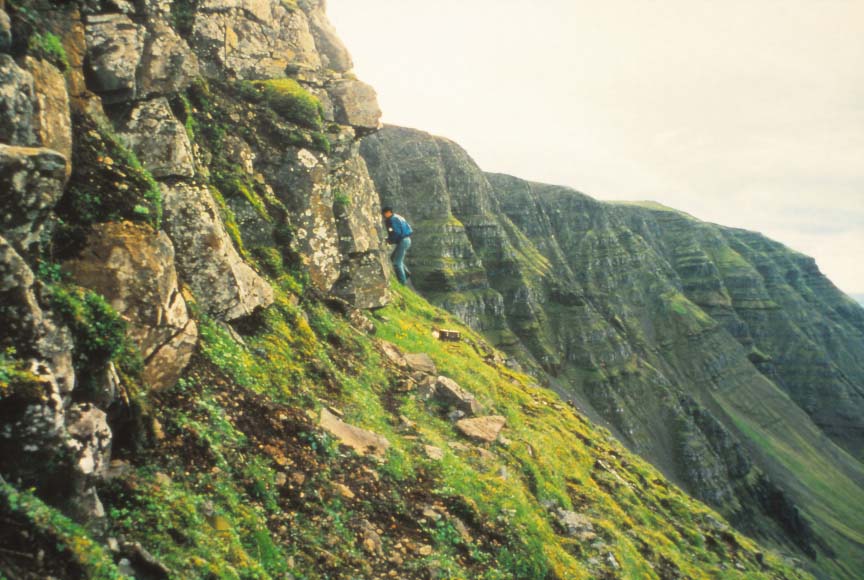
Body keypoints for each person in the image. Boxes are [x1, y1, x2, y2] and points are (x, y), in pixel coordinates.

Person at [382, 206, 413, 284]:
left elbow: (396, 232)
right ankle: (406, 273)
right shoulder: (397, 217)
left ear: (389, 212)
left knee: (396, 263)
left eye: (384, 213)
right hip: (407, 239)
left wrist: (390, 240)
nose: (384, 215)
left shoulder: (392, 220)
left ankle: (402, 282)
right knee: (393, 257)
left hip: (403, 241)